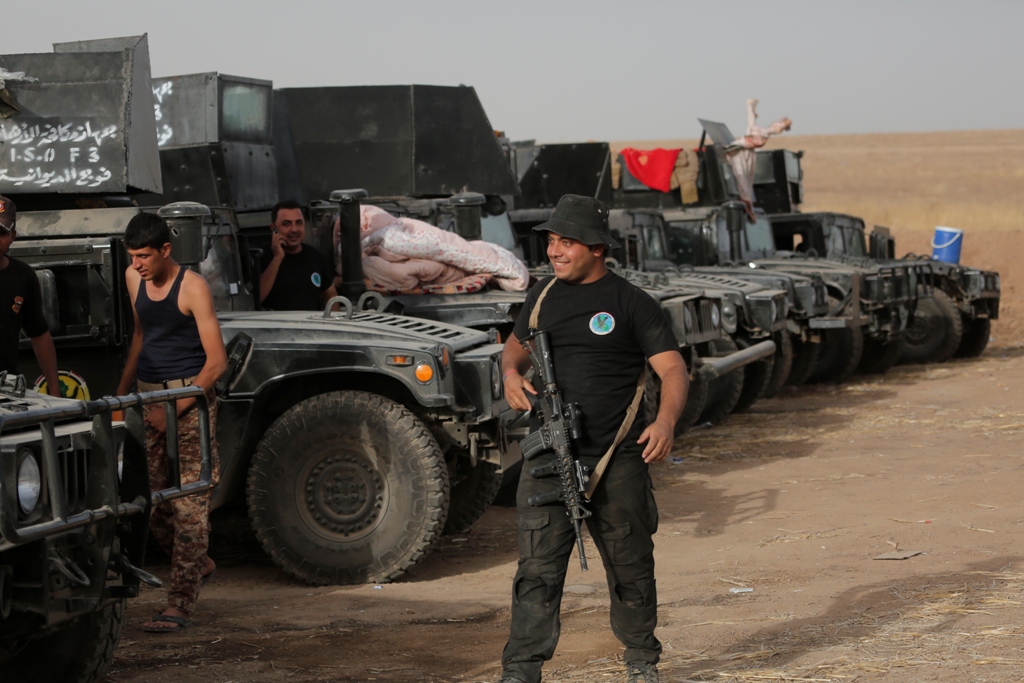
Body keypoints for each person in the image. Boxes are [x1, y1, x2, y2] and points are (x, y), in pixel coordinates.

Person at [497, 195, 688, 683]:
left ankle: (642, 660)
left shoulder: (632, 303)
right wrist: (510, 375)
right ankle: (520, 671)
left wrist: (665, 423)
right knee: (536, 572)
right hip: (548, 454)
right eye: (551, 241)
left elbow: (673, 370)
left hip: (616, 457)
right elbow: (514, 349)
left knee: (631, 567)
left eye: (567, 242)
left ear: (597, 248)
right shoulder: (541, 296)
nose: (554, 251)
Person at [114, 212, 227, 633]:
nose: (137, 263)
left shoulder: (193, 287)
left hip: (190, 403)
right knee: (151, 503)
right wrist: (120, 397)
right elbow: (140, 337)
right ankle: (198, 562)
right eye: (132, 255)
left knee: (190, 507)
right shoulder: (133, 278)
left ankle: (179, 604)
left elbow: (216, 363)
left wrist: (173, 408)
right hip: (148, 400)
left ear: (166, 250)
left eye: (144, 255)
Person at [0, 195, 60, 397]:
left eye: (1, 233)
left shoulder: (23, 276)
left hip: (6, 390)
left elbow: (39, 333)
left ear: (13, 236)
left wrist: (54, 389)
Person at [259, 200, 338, 310]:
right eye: (286, 224)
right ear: (273, 228)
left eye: (299, 223)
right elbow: (257, 298)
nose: (294, 229)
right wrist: (277, 258)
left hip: (310, 321)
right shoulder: (260, 255)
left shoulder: (315, 256)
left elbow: (331, 295)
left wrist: (332, 319)